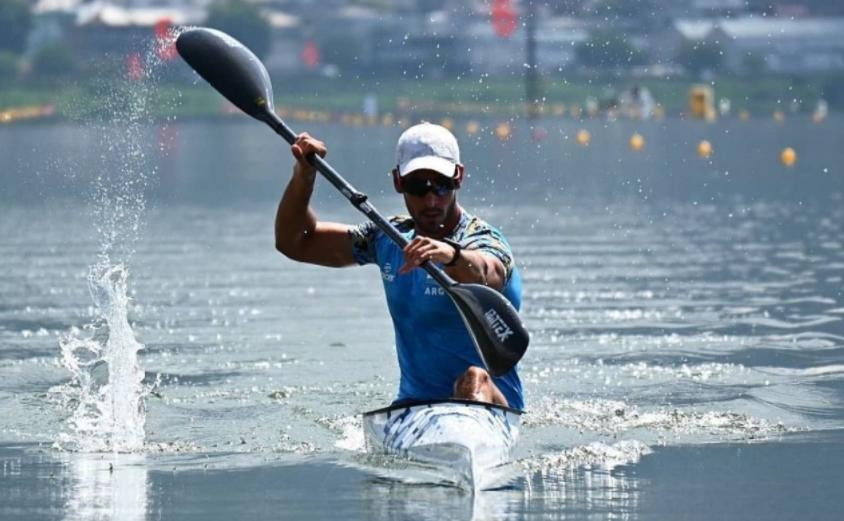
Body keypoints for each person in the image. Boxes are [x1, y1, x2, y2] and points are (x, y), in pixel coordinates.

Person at [274, 122, 524, 410]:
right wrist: (304, 176)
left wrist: (451, 255)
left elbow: (487, 273)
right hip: (415, 409)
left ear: (459, 178)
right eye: (418, 186)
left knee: (474, 378)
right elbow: (294, 243)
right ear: (398, 182)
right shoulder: (387, 238)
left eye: (441, 185)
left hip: (495, 408)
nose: (431, 199)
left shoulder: (483, 239)